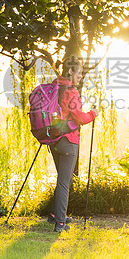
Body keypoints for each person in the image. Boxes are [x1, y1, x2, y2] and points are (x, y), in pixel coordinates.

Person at [48, 56, 96, 233]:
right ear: (70, 71)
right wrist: (93, 113)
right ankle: (60, 222)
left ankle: (54, 214)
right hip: (68, 141)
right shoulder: (71, 92)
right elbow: (80, 118)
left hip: (53, 140)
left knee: (62, 178)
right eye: (79, 73)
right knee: (64, 182)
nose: (80, 77)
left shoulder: (55, 86)